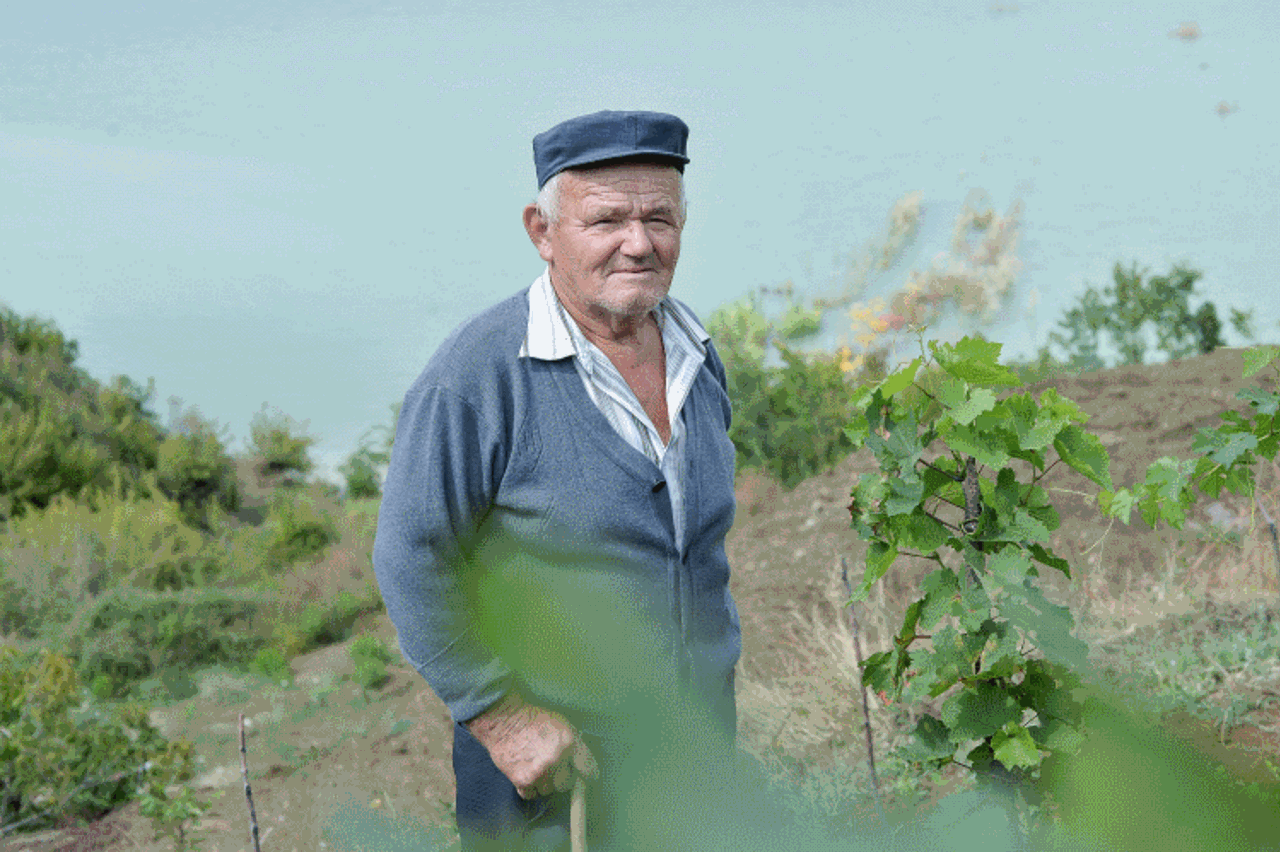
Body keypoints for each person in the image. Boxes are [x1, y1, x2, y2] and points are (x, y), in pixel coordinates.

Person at [373, 110, 741, 850]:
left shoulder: (697, 356)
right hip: (548, 779)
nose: (639, 243)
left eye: (660, 218)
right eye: (606, 220)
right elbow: (409, 557)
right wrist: (500, 719)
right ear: (543, 233)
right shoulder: (475, 378)